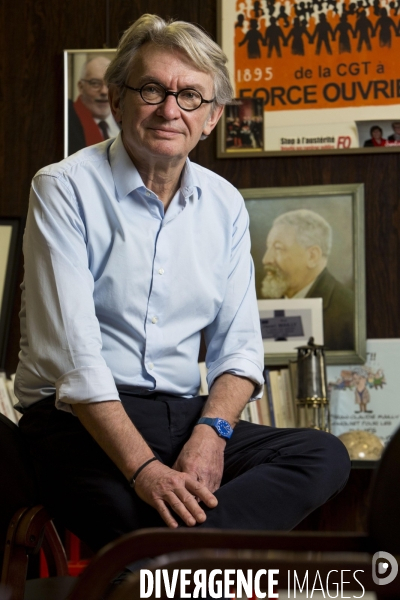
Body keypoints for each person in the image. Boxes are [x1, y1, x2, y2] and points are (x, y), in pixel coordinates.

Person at [16, 14, 350, 555]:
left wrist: (210, 436)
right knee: (145, 511)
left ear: (213, 116)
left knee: (322, 455)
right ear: (119, 100)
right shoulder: (63, 188)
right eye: (152, 89)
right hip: (77, 424)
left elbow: (239, 351)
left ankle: (163, 563)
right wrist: (145, 470)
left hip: (183, 417)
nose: (171, 110)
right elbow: (76, 363)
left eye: (191, 96)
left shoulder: (225, 204)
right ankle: (191, 561)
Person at [262, 209, 354, 350]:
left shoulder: (348, 311)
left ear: (312, 256)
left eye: (278, 248)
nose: (266, 259)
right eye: (268, 248)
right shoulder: (262, 306)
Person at [68, 55, 120, 155]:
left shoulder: (126, 120)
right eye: (95, 83)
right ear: (81, 87)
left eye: (109, 83)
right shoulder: (69, 119)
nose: (104, 91)